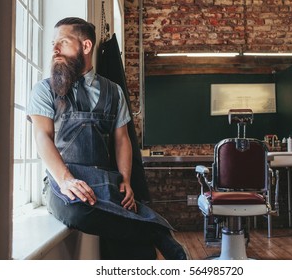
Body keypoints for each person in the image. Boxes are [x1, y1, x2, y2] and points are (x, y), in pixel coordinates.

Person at [27, 17, 188, 260]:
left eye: (63, 42)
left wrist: (125, 180)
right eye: (53, 43)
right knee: (78, 214)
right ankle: (156, 230)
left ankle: (151, 238)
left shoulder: (114, 91)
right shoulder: (44, 89)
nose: (55, 49)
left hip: (104, 181)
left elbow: (122, 139)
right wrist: (67, 180)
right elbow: (42, 136)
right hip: (62, 181)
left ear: (86, 46)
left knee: (139, 252)